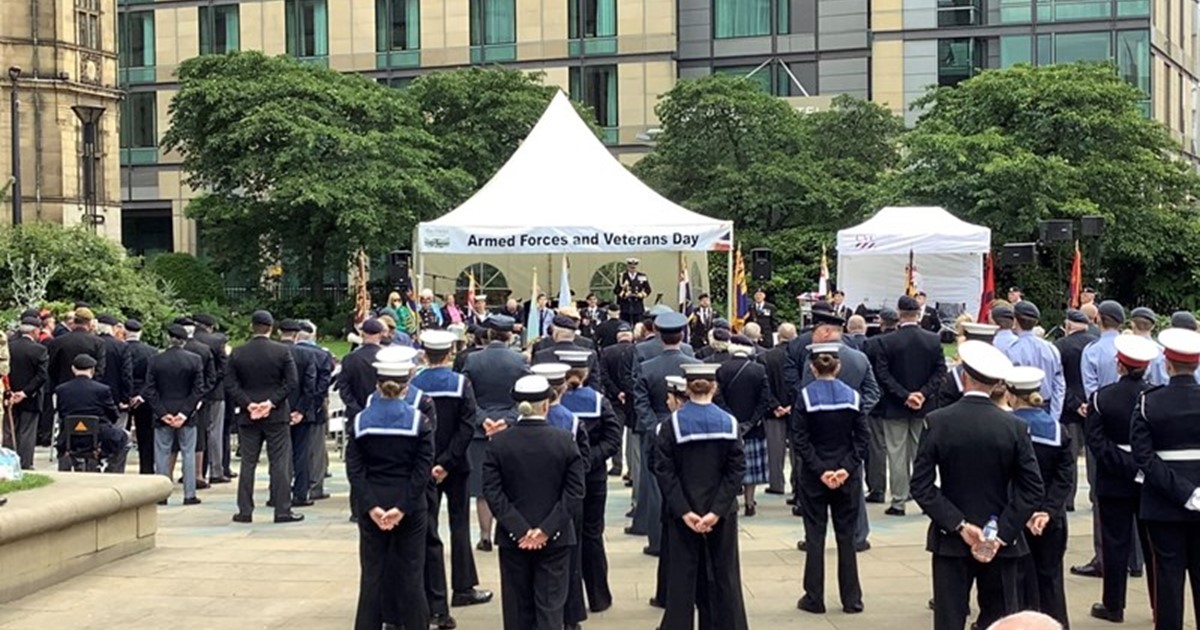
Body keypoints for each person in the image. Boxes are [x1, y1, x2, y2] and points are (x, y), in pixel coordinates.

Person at [911, 340, 1043, 630]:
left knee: (949, 619)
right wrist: (1002, 533)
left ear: (965, 376)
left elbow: (921, 486)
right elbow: (1032, 488)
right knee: (998, 620)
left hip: (951, 539)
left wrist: (958, 523)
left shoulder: (938, 421)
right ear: (997, 383)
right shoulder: (1015, 427)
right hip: (1001, 540)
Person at [483, 374, 586, 630]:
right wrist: (546, 530)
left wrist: (519, 529)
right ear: (547, 405)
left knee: (517, 608)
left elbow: (493, 493)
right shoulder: (564, 441)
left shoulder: (499, 443)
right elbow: (574, 492)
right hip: (557, 537)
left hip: (512, 537)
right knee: (551, 607)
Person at [653, 362, 748, 630]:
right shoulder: (730, 423)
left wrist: (684, 510)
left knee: (682, 579)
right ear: (714, 388)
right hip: (721, 513)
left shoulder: (671, 425)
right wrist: (716, 511)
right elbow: (736, 469)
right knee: (725, 575)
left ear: (686, 387)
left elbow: (664, 471)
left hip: (683, 512)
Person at [346, 347, 433, 630]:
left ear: (377, 384)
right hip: (409, 506)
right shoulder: (419, 421)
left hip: (373, 504)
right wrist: (402, 507)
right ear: (407, 384)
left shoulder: (360, 421)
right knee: (411, 575)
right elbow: (422, 471)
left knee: (372, 576)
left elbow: (355, 470)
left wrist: (371, 506)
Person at [411, 330, 492, 627]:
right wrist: (448, 461)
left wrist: (433, 462)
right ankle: (463, 586)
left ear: (424, 352)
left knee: (427, 530)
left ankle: (429, 591)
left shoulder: (415, 385)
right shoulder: (460, 383)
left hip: (424, 466)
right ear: (449, 354)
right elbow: (467, 425)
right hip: (456, 465)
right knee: (459, 525)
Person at [1130, 327, 1200, 630]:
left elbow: (1143, 457)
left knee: (1167, 582)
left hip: (1163, 503)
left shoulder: (1149, 402)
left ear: (1167, 364)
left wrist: (1183, 492)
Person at [1086, 334, 1159, 623]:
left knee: (1115, 544)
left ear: (1120, 365)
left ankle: (1113, 605)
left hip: (1114, 479)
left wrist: (1125, 464)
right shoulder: (1155, 396)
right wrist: (1141, 466)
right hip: (1149, 478)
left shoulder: (1101, 397)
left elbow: (1096, 442)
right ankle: (1159, 606)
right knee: (1153, 547)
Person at [791, 343, 868, 615]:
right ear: (838, 367)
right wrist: (845, 468)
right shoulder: (854, 397)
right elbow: (862, 439)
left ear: (812, 368)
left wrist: (820, 469)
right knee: (846, 537)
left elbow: (799, 440)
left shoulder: (804, 397)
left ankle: (814, 597)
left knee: (815, 536)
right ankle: (852, 599)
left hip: (814, 476)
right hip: (846, 475)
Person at [555, 350, 622, 615]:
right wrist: (590, 460)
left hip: (561, 479)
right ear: (585, 373)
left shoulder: (553, 406)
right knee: (592, 535)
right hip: (593, 477)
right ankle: (598, 597)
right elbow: (613, 438)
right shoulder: (599, 401)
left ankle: (571, 602)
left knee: (567, 537)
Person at [1006, 366, 1073, 628]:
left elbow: (1006, 477)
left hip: (1016, 516)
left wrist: (1023, 511)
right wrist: (1047, 510)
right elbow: (1064, 477)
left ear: (1011, 395)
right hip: (1050, 518)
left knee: (1019, 582)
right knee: (1051, 580)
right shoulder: (1058, 430)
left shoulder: (1008, 428)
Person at [630, 312, 699, 555]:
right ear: (682, 335)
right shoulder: (695, 365)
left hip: (656, 426)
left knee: (655, 487)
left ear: (659, 334)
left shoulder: (647, 367)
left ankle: (658, 541)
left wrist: (654, 427)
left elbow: (640, 403)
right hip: (689, 428)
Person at [460, 315, 530, 552]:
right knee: (509, 484)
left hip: (481, 430)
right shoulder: (519, 361)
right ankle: (509, 530)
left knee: (482, 487)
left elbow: (467, 397)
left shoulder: (472, 360)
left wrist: (483, 419)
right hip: (510, 430)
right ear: (510, 335)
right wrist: (506, 419)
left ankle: (485, 534)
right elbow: (526, 395)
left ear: (488, 334)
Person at [1073, 300, 1132, 579]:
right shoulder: (1132, 347)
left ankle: (1104, 558)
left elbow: (1092, 393)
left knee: (1101, 496)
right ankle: (1137, 559)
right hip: (1137, 426)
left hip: (1105, 427)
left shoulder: (1093, 350)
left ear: (1099, 320)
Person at [873, 295, 946, 516]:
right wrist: (922, 394)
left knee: (896, 454)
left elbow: (882, 375)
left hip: (896, 405)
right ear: (918, 314)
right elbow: (940, 371)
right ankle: (926, 499)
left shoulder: (887, 341)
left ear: (899, 313)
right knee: (922, 454)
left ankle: (898, 501)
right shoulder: (932, 340)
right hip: (924, 407)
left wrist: (905, 395)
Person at [227, 310, 302, 524]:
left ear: (252, 327)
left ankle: (244, 511)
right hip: (276, 415)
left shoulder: (239, 353)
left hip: (248, 416)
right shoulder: (281, 352)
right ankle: (282, 510)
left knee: (248, 464)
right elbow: (291, 382)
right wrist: (271, 403)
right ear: (271, 328)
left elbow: (231, 384)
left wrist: (248, 404)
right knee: (280, 463)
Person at [143, 325, 205, 506]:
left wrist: (162, 413)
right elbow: (197, 390)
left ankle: (162, 495)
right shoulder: (195, 360)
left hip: (162, 413)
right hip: (186, 415)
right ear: (184, 340)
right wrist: (184, 413)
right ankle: (189, 494)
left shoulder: (155, 360)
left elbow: (150, 390)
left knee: (162, 454)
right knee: (188, 453)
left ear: (168, 338)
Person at [716, 336, 776, 517]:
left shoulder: (721, 370)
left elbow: (717, 397)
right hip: (754, 427)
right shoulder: (759, 370)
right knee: (752, 467)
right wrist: (751, 421)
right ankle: (750, 502)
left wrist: (731, 418)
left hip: (727, 426)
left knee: (728, 466)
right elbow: (765, 399)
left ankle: (731, 501)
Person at [54, 354, 128, 472]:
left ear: (73, 369)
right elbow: (113, 415)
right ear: (93, 370)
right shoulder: (102, 389)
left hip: (70, 434)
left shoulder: (61, 389)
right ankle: (113, 471)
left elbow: (61, 413)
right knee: (124, 438)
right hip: (98, 433)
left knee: (62, 439)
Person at [1054, 309, 1097, 511]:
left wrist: (1074, 403)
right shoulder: (1096, 343)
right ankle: (1096, 494)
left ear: (1068, 326)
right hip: (1094, 406)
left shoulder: (1060, 346)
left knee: (1069, 456)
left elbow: (1059, 380)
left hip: (1069, 409)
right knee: (1094, 453)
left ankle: (1068, 499)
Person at [1003, 301, 1066, 423]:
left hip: (1020, 406)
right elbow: (1059, 385)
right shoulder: (1051, 348)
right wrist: (1055, 416)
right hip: (1046, 406)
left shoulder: (1012, 350)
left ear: (1015, 321)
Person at [279, 320, 319, 508]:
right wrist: (301, 410)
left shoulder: (273, 353)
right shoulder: (306, 354)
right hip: (301, 411)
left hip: (277, 410)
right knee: (301, 454)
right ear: (296, 335)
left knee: (278, 454)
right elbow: (310, 385)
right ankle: (301, 494)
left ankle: (278, 493)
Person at [297, 321, 334, 501]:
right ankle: (315, 486)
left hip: (292, 408)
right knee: (316, 449)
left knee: (293, 449)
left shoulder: (288, 352)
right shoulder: (322, 355)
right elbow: (324, 383)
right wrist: (318, 403)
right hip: (315, 407)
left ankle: (295, 484)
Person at [5, 316, 47, 470]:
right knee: (27, 432)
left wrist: (11, 391)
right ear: (35, 331)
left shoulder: (9, 346)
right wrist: (25, 392)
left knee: (9, 431)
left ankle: (8, 463)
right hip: (30, 396)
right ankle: (25, 463)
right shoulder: (39, 349)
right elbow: (42, 375)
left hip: (9, 396)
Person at [192, 313, 229, 485]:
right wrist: (210, 384)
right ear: (210, 326)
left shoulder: (188, 342)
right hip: (215, 393)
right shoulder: (217, 342)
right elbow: (223, 367)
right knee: (215, 432)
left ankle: (194, 471)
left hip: (192, 394)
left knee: (195, 433)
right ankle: (216, 471)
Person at [762, 322, 796, 496]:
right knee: (797, 449)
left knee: (775, 450)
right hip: (795, 409)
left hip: (773, 411)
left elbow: (764, 385)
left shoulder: (767, 356)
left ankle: (776, 484)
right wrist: (792, 405)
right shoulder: (799, 355)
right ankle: (797, 484)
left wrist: (775, 405)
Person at [123, 319, 158, 475]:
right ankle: (147, 469)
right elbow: (151, 377)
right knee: (146, 436)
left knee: (121, 434)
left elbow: (123, 375)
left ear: (125, 331)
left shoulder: (120, 348)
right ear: (140, 333)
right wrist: (141, 395)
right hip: (145, 397)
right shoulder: (151, 351)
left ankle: (117, 468)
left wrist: (126, 396)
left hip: (124, 397)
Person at [46, 307, 105, 392]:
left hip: (63, 389)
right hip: (89, 390)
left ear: (74, 321)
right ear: (89, 323)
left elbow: (51, 368)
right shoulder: (98, 343)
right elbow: (100, 370)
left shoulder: (58, 342)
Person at [94, 314, 133, 418]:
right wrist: (125, 398)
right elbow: (126, 374)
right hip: (115, 395)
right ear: (113, 328)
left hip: (92, 394)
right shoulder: (121, 346)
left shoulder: (91, 343)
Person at [1130, 307, 1169, 386]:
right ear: (1153, 327)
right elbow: (1165, 381)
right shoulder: (1161, 351)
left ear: (1132, 324)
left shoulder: (1126, 348)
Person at [614, 257, 651, 324]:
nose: (633, 267)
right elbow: (616, 290)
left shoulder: (642, 276)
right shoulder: (622, 276)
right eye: (631, 265)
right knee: (625, 324)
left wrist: (641, 294)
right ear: (628, 266)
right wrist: (624, 294)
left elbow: (648, 289)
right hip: (625, 306)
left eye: (634, 266)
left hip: (637, 305)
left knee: (638, 325)